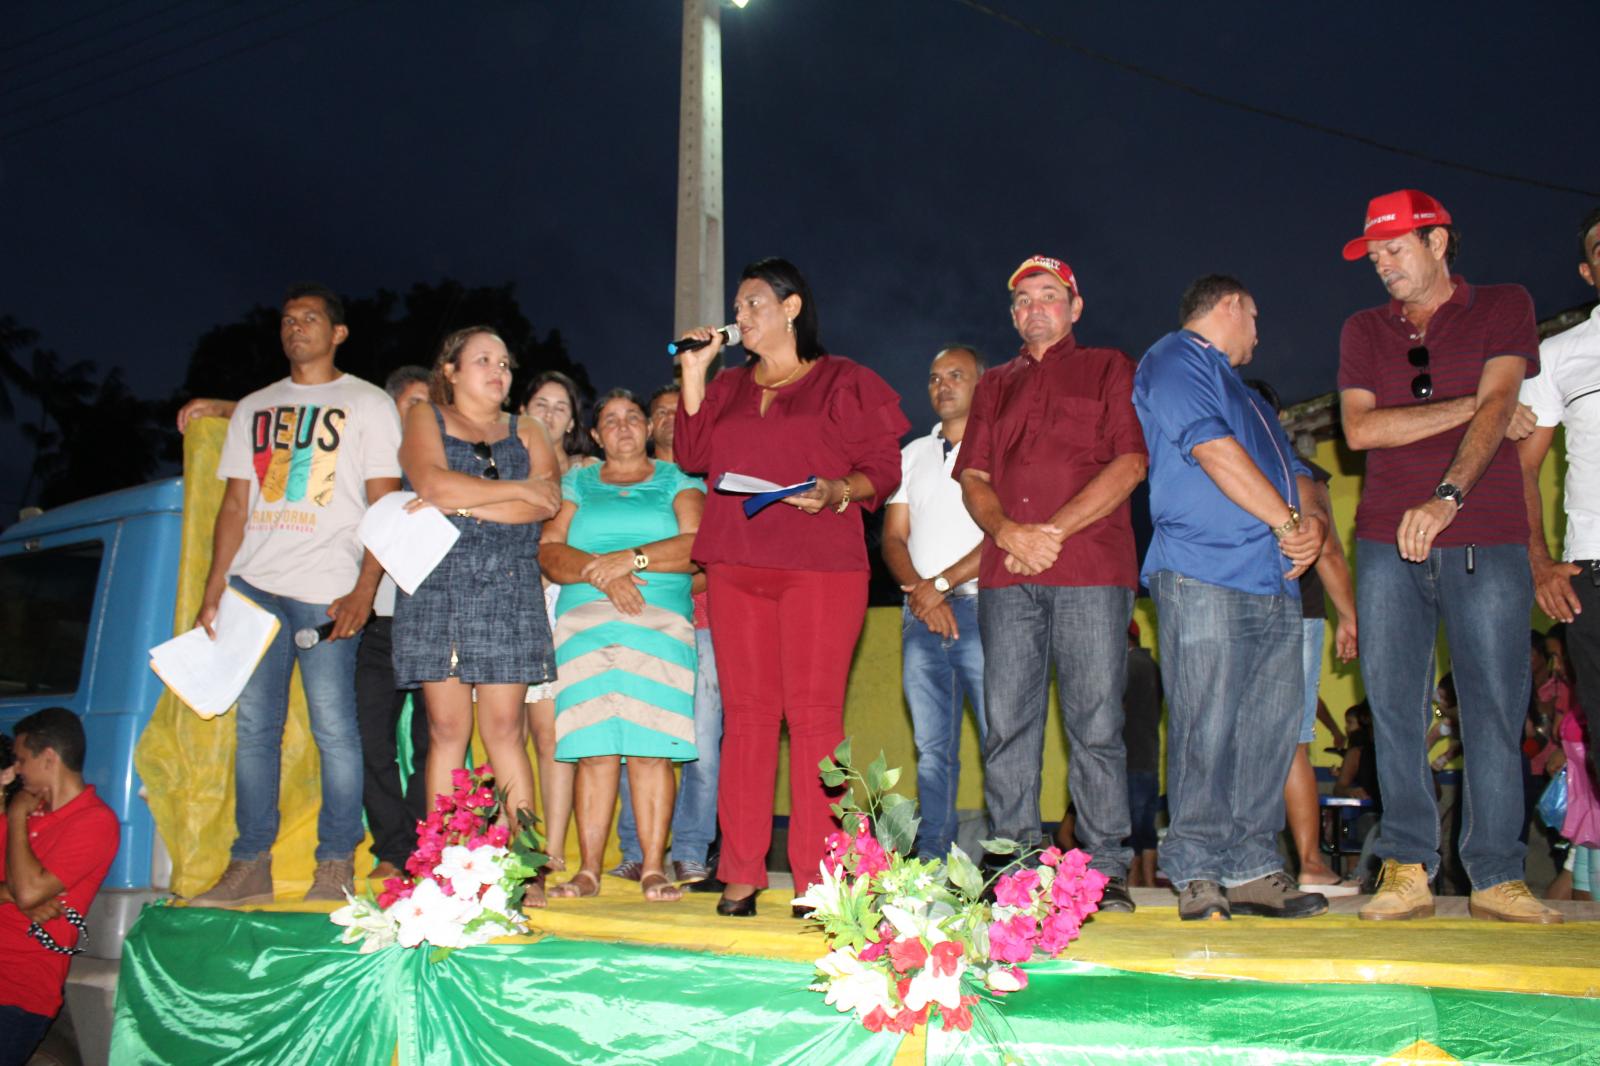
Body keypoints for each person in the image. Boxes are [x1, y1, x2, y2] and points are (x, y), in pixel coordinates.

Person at [1337, 189, 1559, 923]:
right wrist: (1473, 403)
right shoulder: (1363, 328)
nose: (1382, 266)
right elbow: (1361, 432)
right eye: (1373, 256)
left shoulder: (1503, 305)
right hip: (1381, 538)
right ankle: (1406, 866)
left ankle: (1496, 873)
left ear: (1437, 241)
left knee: (1493, 706)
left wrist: (1447, 497)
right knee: (1394, 704)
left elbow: (1507, 405)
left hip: (1484, 531)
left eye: (1394, 249)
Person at [676, 256, 909, 917]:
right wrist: (695, 372)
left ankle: (816, 876)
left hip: (820, 568)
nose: (741, 315)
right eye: (738, 306)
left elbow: (882, 470)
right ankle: (743, 872)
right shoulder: (726, 387)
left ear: (791, 307)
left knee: (813, 721)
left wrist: (839, 490)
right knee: (746, 721)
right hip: (736, 565)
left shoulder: (845, 381)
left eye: (753, 303)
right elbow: (693, 456)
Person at [190, 283, 402, 906]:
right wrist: (214, 590)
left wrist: (366, 586)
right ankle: (248, 861)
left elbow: (386, 504)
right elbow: (234, 503)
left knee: (337, 732)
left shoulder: (367, 403)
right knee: (255, 729)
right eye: (287, 319)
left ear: (338, 333)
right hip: (255, 588)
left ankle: (335, 863)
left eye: (310, 318)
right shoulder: (256, 406)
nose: (296, 327)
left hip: (328, 590)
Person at [1134, 274, 1330, 921]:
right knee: (1205, 722)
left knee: (1268, 730)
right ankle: (1195, 868)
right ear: (1232, 305)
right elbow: (1211, 450)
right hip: (1202, 573)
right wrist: (1289, 524)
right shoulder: (1175, 358)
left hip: (1274, 583)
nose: (1259, 333)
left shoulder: (1254, 401)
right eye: (1256, 317)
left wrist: (1314, 529)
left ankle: (1250, 866)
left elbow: (1300, 484)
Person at [953, 254, 1146, 912]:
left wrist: (1050, 533)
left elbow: (1129, 462)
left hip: (1090, 567)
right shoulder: (994, 386)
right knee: (1007, 722)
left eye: (1049, 296)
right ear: (1012, 314)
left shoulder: (1108, 367)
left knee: (1095, 722)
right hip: (1007, 574)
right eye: (1023, 301)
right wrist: (1009, 532)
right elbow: (974, 478)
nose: (1036, 309)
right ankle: (1012, 863)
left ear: (1075, 306)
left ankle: (1103, 868)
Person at [394, 327, 562, 884]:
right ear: (451, 369)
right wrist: (505, 494)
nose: (499, 371)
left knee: (506, 728)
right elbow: (432, 485)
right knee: (446, 729)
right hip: (439, 582)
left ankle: (527, 864)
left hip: (510, 584)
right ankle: (443, 862)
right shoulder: (426, 418)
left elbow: (545, 504)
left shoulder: (529, 428)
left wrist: (462, 503)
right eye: (483, 360)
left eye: (506, 363)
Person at [538, 389, 705, 901]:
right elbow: (549, 551)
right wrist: (602, 574)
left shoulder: (678, 480)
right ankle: (588, 870)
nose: (625, 426)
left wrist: (629, 559)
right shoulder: (578, 483)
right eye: (610, 420)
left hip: (658, 624)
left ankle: (654, 867)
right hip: (585, 625)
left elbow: (699, 546)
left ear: (649, 429)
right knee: (594, 750)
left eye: (634, 417)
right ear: (595, 435)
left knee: (653, 749)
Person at [1246, 379, 1361, 897]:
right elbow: (1328, 548)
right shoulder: (1296, 473)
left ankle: (1259, 861)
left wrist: (1347, 615)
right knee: (1290, 741)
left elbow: (1324, 546)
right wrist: (1348, 616)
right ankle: (1309, 863)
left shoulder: (1223, 469)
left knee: (1246, 737)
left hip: (1248, 614)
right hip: (1292, 615)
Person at [614, 384, 725, 886]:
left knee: (701, 741)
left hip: (703, 625)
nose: (669, 420)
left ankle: (690, 849)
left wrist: (663, 574)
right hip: (638, 622)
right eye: (658, 412)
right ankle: (636, 849)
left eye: (678, 412)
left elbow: (712, 562)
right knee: (632, 737)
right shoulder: (630, 484)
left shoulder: (713, 483)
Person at [882, 345, 988, 860]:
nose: (942, 385)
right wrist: (924, 596)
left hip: (985, 611)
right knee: (932, 752)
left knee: (1003, 741)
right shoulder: (911, 454)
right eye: (933, 377)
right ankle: (931, 860)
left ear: (981, 384)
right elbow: (893, 539)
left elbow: (1004, 535)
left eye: (955, 375)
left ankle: (1014, 863)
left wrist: (940, 585)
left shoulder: (1001, 448)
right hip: (921, 617)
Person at [1518, 206, 1600, 783]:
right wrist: (1541, 562)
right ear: (1587, 271)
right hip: (1593, 570)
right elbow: (1522, 467)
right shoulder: (1559, 356)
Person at [0, 709, 119, 1066]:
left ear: (48, 757)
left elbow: (32, 893)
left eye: (21, 760)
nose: (17, 770)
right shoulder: (21, 816)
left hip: (20, 989)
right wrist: (15, 894)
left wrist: (18, 815)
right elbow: (27, 893)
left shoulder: (95, 821)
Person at [356, 366, 434, 882]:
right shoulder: (371, 466)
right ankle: (390, 847)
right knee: (372, 742)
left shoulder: (445, 468)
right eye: (411, 404)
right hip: (378, 623)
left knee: (435, 742)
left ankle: (419, 848)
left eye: (430, 404)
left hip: (430, 625)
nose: (421, 414)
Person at [521, 369, 598, 871]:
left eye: (560, 406)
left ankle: (551, 853)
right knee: (511, 735)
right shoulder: (504, 462)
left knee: (553, 737)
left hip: (563, 608)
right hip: (508, 606)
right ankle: (513, 846)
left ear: (572, 421)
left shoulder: (588, 472)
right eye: (540, 403)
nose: (549, 414)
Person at [1120, 622, 1162, 888]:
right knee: (1147, 831)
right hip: (1149, 755)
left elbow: (1114, 708)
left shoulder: (1127, 667)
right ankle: (1148, 883)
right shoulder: (1152, 666)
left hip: (1129, 758)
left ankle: (1133, 886)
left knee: (1130, 831)